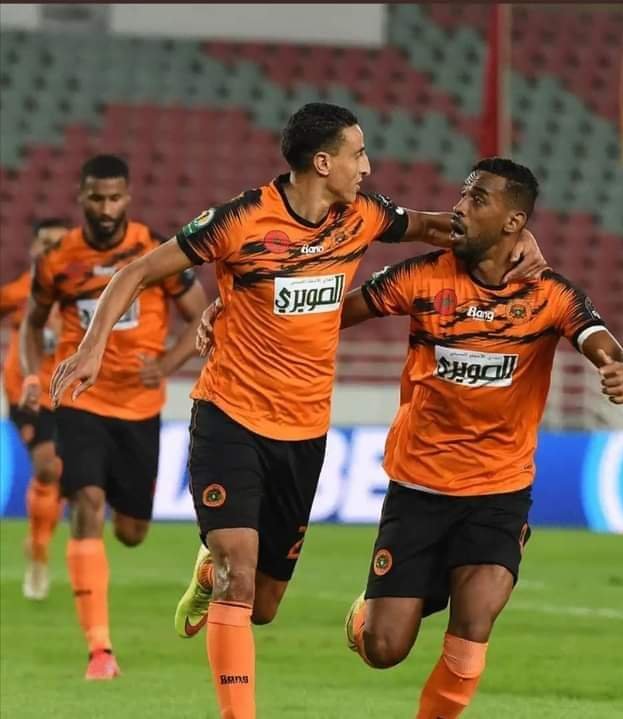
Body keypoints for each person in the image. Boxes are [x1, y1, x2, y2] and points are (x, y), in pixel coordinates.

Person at [49, 105, 545, 716]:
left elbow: (443, 227)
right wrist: (91, 347)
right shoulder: (240, 220)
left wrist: (522, 240)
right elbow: (138, 270)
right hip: (229, 416)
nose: (368, 166)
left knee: (262, 605)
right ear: (324, 162)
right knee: (238, 571)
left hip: (303, 432)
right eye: (358, 154)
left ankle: (208, 574)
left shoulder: (363, 216)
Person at [338, 158, 623, 719]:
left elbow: (609, 345)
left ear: (513, 221)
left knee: (474, 624)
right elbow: (334, 315)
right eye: (462, 194)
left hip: (498, 493)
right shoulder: (423, 276)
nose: (459, 207)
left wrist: (622, 369)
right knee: (383, 648)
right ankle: (383, 607)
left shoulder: (550, 294)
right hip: (420, 486)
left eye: (477, 199)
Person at [20, 154, 208, 680]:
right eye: (97, 198)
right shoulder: (58, 259)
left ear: (128, 197)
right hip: (81, 399)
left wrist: (167, 364)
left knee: (131, 532)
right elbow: (32, 325)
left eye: (115, 198)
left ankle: (93, 526)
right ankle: (100, 650)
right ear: (81, 197)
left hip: (139, 408)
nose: (106, 209)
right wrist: (33, 376)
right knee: (87, 502)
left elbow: (202, 314)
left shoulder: (156, 251)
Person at [1, 218, 69, 600]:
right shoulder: (19, 292)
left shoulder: (84, 293)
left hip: (68, 393)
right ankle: (39, 552)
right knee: (46, 467)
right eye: (46, 243)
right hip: (25, 394)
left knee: (58, 474)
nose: (52, 251)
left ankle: (39, 541)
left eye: (60, 244)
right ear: (33, 249)